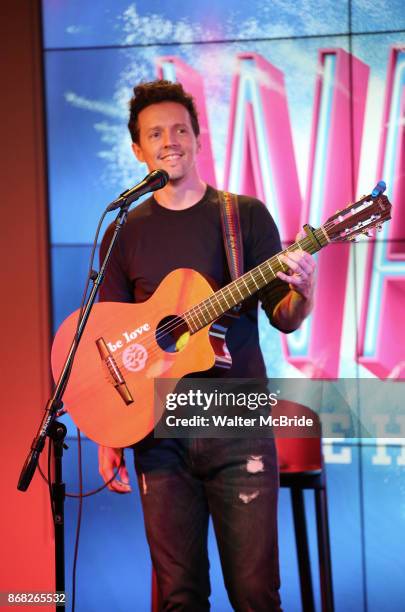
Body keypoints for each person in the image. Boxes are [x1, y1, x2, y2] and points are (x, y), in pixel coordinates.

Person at [98, 80, 316, 611]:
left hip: (238, 426)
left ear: (198, 138)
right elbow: (107, 340)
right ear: (138, 150)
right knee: (178, 596)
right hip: (160, 432)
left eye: (179, 129)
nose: (169, 140)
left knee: (255, 595)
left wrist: (305, 294)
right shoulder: (124, 232)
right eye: (155, 133)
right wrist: (109, 432)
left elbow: (284, 319)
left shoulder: (243, 217)